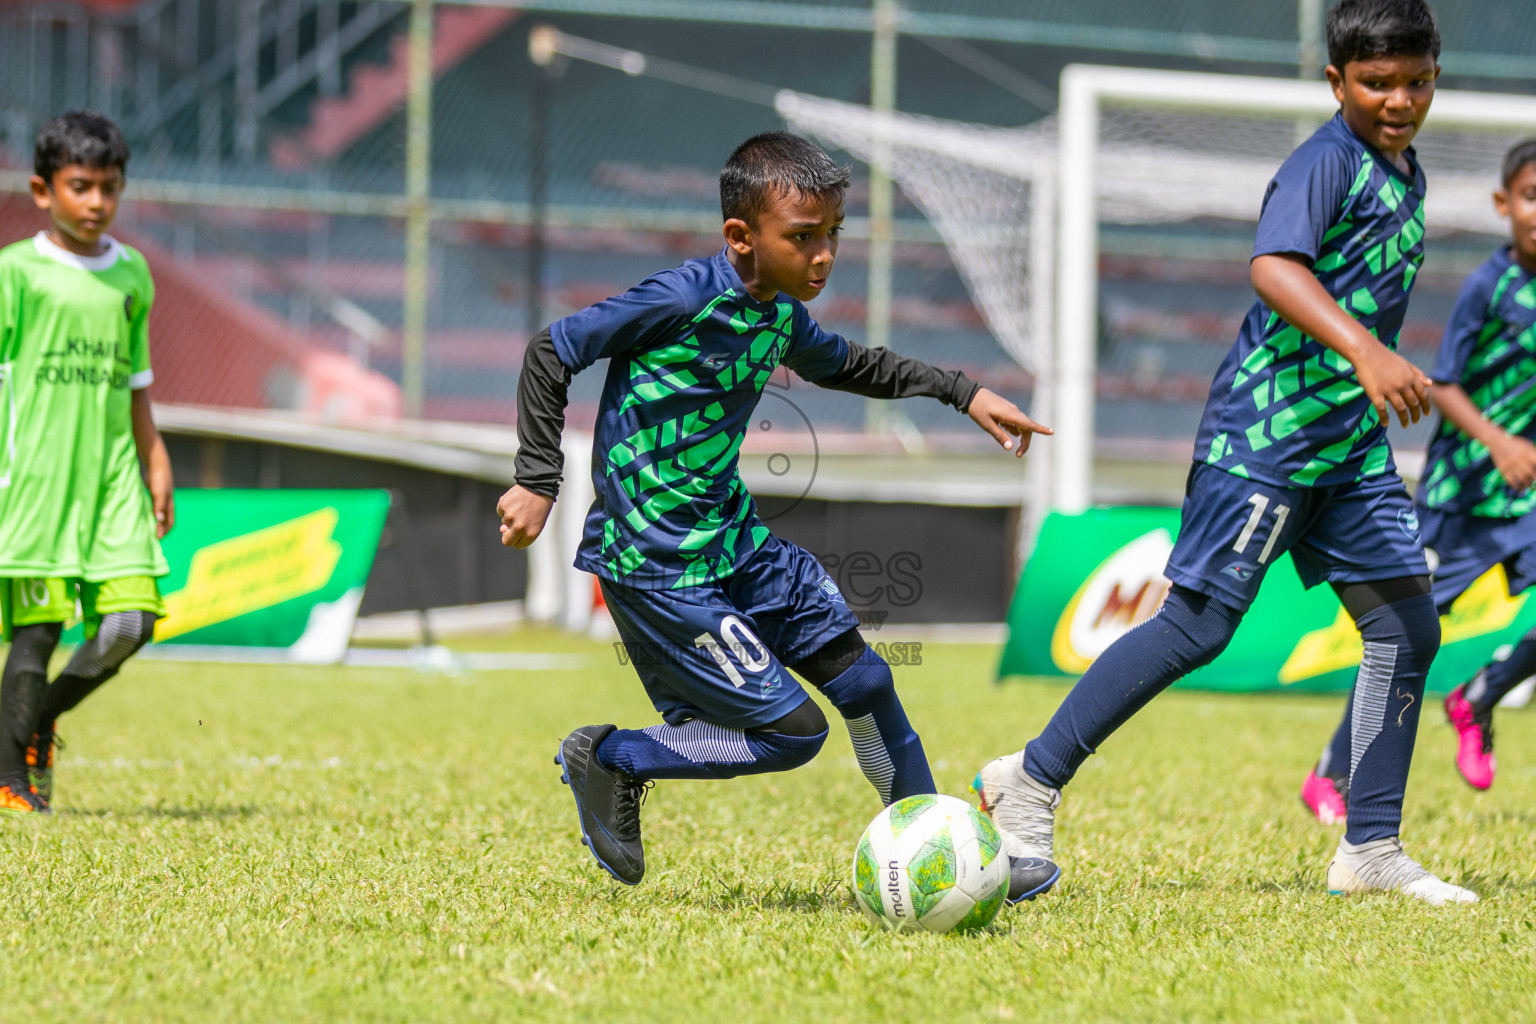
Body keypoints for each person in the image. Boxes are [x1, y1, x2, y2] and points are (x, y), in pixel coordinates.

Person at [972, 0, 1479, 905]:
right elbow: (1274, 267)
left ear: (1435, 73)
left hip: (1347, 449)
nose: (1398, 100)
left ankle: (1369, 847)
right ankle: (1031, 780)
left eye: (1416, 80)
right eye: (1376, 82)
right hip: (1267, 441)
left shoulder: (1407, 172)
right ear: (1335, 82)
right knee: (1199, 627)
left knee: (1407, 626)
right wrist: (1367, 352)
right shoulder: (1323, 162)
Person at [497, 131, 1053, 895]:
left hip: (738, 544)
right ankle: (614, 758)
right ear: (741, 237)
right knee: (792, 734)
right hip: (658, 567)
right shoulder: (682, 298)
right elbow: (551, 351)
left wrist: (964, 392)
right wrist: (537, 479)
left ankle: (951, 855)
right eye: (803, 238)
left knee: (866, 686)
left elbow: (856, 365)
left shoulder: (780, 317)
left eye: (833, 236)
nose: (823, 256)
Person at [1302, 137, 1536, 809]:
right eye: (1530, 195)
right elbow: (1446, 384)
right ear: (1503, 203)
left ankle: (1482, 695)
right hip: (1464, 494)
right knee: (1405, 633)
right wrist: (1498, 443)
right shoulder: (1488, 287)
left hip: (1529, 494)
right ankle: (1332, 770)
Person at [0, 111, 173, 813]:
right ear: (43, 191)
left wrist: (155, 461)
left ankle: (42, 718)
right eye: (80, 187)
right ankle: (10, 781)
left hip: (110, 481)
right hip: (35, 480)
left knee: (131, 623)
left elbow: (137, 387)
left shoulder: (132, 273)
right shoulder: (15, 272)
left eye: (109, 187)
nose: (97, 202)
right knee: (37, 632)